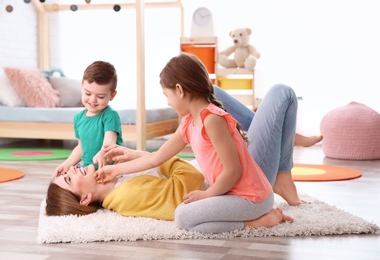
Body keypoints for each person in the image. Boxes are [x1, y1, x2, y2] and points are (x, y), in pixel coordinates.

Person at [94, 53, 294, 234]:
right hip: (231, 192)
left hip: (252, 197)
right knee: (184, 215)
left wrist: (206, 195)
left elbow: (234, 171)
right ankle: (260, 218)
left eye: (167, 95)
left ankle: (262, 221)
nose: (168, 103)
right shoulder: (189, 122)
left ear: (179, 90)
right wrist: (115, 170)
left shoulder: (212, 120)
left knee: (183, 217)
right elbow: (156, 158)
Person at [46, 150, 205, 221]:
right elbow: (192, 179)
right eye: (69, 179)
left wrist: (134, 160)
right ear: (85, 199)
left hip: (206, 163)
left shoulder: (116, 175)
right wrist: (146, 157)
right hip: (216, 177)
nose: (72, 168)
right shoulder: (128, 195)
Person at [54, 61, 123, 177]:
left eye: (100, 96)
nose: (93, 100)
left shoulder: (110, 116)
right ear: (82, 87)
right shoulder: (78, 118)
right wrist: (66, 164)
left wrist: (102, 153)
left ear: (112, 95)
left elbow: (109, 143)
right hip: (87, 170)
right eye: (88, 93)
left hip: (110, 170)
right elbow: (81, 147)